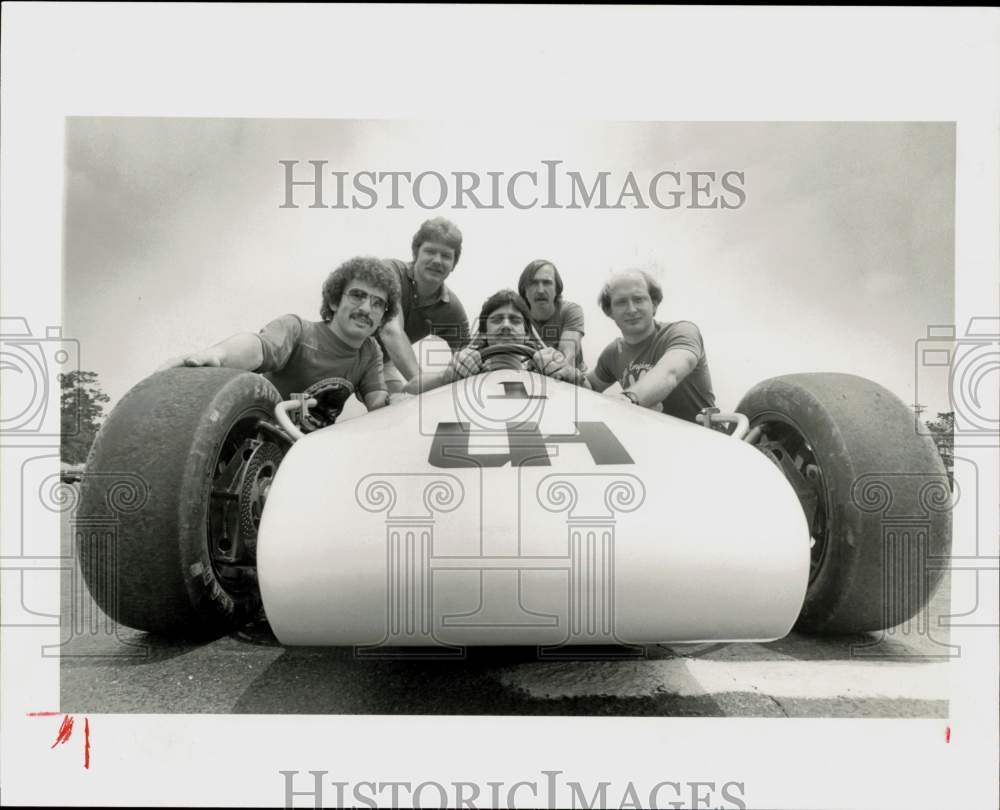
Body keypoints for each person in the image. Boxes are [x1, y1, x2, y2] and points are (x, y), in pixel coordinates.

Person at [162, 256, 400, 411]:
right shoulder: (297, 329)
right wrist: (219, 355)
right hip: (254, 444)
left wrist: (412, 398)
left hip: (304, 456)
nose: (367, 308)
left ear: (382, 316)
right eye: (358, 295)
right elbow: (258, 348)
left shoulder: (370, 351)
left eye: (378, 303)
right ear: (335, 301)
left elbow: (378, 402)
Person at [587, 269, 715, 422]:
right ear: (610, 311)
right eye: (621, 302)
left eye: (639, 299)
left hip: (703, 439)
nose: (631, 309)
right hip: (653, 439)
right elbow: (589, 387)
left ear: (654, 304)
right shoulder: (613, 352)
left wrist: (628, 400)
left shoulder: (682, 332)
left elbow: (670, 373)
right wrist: (567, 375)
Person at [404, 289, 588, 394]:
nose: (506, 325)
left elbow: (591, 392)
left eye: (515, 320)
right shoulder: (462, 371)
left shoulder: (547, 372)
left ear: (526, 334)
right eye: (497, 319)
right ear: (483, 333)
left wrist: (568, 373)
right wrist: (445, 377)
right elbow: (409, 388)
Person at [378, 218, 472, 393]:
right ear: (416, 254)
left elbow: (469, 357)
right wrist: (420, 383)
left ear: (453, 264)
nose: (437, 260)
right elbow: (390, 331)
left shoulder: (451, 309)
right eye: (430, 251)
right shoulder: (390, 272)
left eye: (446, 256)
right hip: (344, 351)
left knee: (398, 408)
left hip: (381, 362)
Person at [517, 259, 586, 371]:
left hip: (567, 382)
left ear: (557, 289)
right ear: (524, 290)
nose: (540, 290)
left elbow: (568, 357)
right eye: (533, 283)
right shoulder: (516, 317)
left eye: (547, 283)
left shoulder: (570, 311)